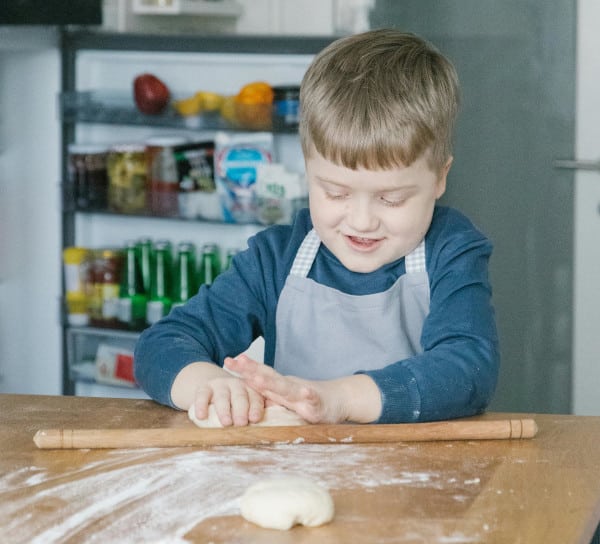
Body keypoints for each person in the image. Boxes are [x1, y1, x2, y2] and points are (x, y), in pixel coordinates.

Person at [134, 28, 499, 427]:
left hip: (419, 479)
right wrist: (208, 383)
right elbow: (161, 344)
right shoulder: (275, 259)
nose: (362, 220)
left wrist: (338, 399)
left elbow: (468, 369)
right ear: (308, 171)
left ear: (439, 179)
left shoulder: (451, 251)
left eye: (391, 198)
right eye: (336, 193)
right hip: (299, 470)